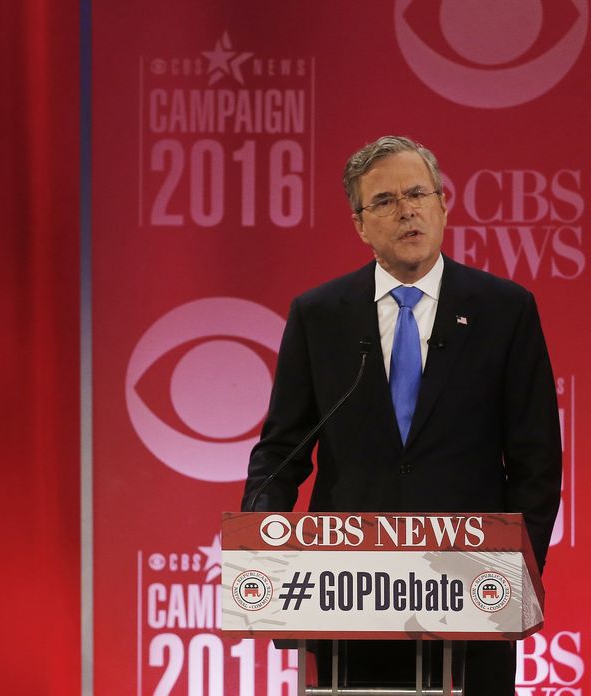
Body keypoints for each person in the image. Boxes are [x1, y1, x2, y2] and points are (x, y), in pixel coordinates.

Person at [242, 136, 561, 693]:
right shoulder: (319, 315)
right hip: (347, 594)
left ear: (443, 205)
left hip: (473, 596)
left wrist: (516, 577)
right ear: (360, 225)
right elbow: (280, 453)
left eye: (418, 193)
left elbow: (537, 462)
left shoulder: (504, 310)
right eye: (384, 201)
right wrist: (259, 543)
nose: (406, 209)